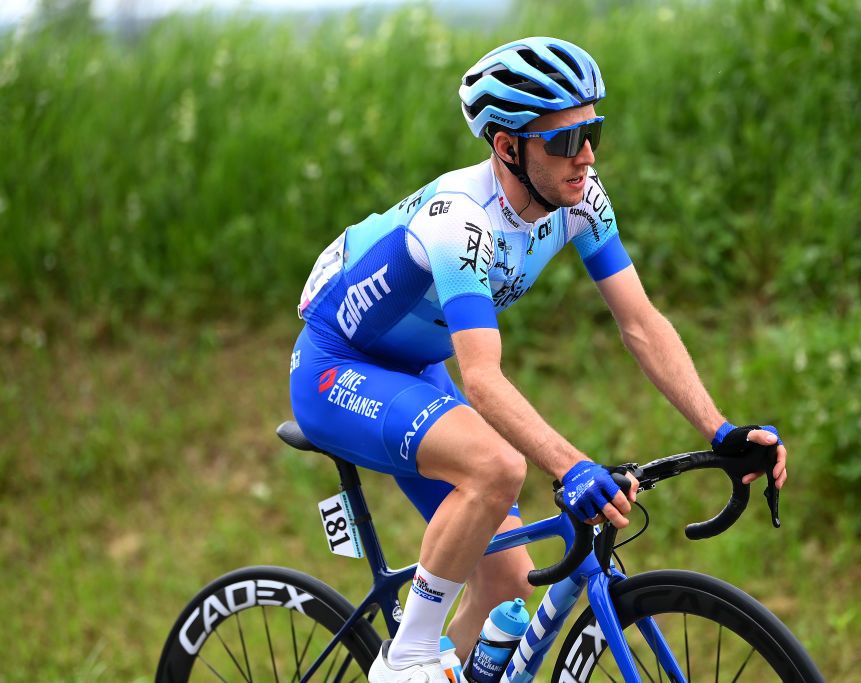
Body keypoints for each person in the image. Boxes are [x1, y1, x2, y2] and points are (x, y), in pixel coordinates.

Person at [289, 36, 789, 683]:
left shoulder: (580, 196)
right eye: (563, 140)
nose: (584, 157)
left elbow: (640, 321)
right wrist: (572, 465)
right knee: (497, 464)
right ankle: (405, 657)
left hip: (412, 370)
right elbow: (484, 377)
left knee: (507, 584)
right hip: (336, 367)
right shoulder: (462, 221)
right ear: (508, 147)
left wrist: (719, 429)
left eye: (593, 133)